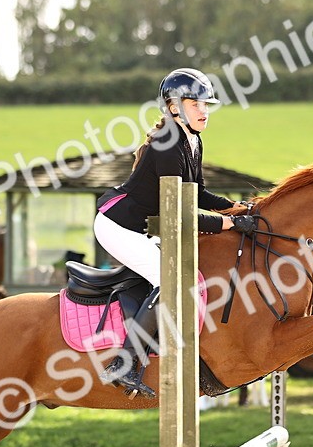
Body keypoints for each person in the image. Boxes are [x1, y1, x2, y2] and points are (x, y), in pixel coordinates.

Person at [92, 67, 257, 399]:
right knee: (169, 281)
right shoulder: (168, 142)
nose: (204, 111)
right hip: (116, 226)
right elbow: (177, 212)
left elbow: (197, 194)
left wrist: (238, 209)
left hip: (134, 227)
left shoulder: (192, 140)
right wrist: (228, 224)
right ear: (173, 107)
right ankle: (124, 363)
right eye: (196, 104)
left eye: (206, 105)